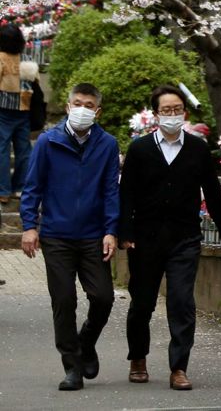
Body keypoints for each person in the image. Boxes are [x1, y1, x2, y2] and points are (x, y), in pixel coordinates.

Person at [118, 84, 221, 391]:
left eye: (177, 110)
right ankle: (138, 358)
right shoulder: (140, 149)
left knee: (182, 302)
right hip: (145, 238)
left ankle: (179, 367)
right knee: (142, 303)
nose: (172, 115)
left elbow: (213, 192)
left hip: (184, 237)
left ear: (184, 112)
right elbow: (126, 193)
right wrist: (125, 232)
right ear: (155, 114)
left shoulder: (197, 149)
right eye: (166, 110)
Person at [20, 82, 119, 392]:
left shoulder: (107, 144)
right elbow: (32, 185)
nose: (82, 109)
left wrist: (111, 230)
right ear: (67, 106)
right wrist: (29, 225)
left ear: (97, 111)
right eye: (77, 103)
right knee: (63, 301)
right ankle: (72, 366)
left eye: (89, 105)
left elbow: (111, 190)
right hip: (56, 235)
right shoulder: (48, 142)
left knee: (103, 297)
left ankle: (86, 342)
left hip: (92, 234)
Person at [0, 22, 39, 205]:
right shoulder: (26, 58)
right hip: (24, 109)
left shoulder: (1, 58)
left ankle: (3, 190)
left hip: (3, 109)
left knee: (2, 150)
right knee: (24, 151)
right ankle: (19, 187)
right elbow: (36, 82)